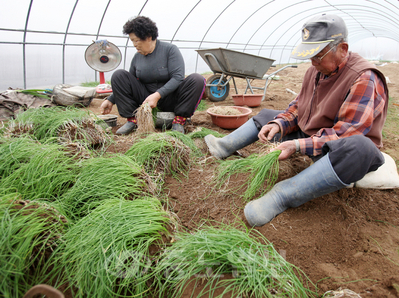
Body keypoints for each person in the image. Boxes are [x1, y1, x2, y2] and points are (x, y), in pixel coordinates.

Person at [204, 14, 389, 227]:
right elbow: (298, 107)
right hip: (314, 135)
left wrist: (297, 145)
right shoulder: (315, 70)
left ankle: (282, 195)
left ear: (343, 49)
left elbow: (346, 133)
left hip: (342, 150)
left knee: (360, 148)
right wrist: (278, 124)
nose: (312, 62)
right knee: (268, 116)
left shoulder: (364, 77)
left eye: (318, 55)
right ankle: (223, 146)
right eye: (310, 55)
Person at [100, 16, 206, 134]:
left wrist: (157, 95)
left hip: (170, 98)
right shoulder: (137, 57)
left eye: (137, 40)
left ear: (149, 37)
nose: (134, 44)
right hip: (146, 99)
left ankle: (179, 121)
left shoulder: (170, 50)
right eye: (132, 41)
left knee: (197, 79)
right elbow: (128, 82)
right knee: (119, 75)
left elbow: (178, 77)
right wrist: (110, 100)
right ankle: (133, 120)